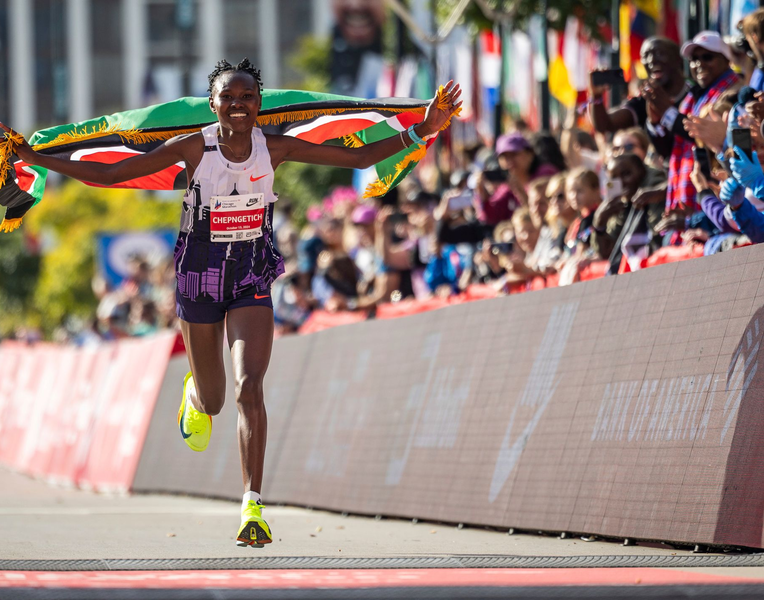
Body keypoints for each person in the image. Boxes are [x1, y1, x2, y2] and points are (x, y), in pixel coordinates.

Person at [0, 58, 461, 548]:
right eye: (228, 98)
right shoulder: (193, 147)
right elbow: (113, 172)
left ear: (259, 105)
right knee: (216, 400)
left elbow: (353, 158)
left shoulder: (275, 147)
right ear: (213, 104)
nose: (238, 105)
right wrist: (35, 156)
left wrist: (422, 132)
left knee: (249, 387)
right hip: (199, 273)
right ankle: (195, 393)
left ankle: (252, 506)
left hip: (251, 271)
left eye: (247, 97)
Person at [648, 31, 739, 214]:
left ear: (726, 60)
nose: (699, 64)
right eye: (693, 59)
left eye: (707, 57)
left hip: (717, 196)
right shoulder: (693, 98)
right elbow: (668, 149)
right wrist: (655, 119)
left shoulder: (734, 89)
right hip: (689, 196)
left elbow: (700, 131)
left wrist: (667, 112)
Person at [588, 37, 688, 159]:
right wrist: (596, 96)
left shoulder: (695, 94)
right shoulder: (644, 101)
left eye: (660, 53)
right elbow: (605, 125)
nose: (652, 60)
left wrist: (666, 110)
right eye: (646, 56)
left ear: (677, 59)